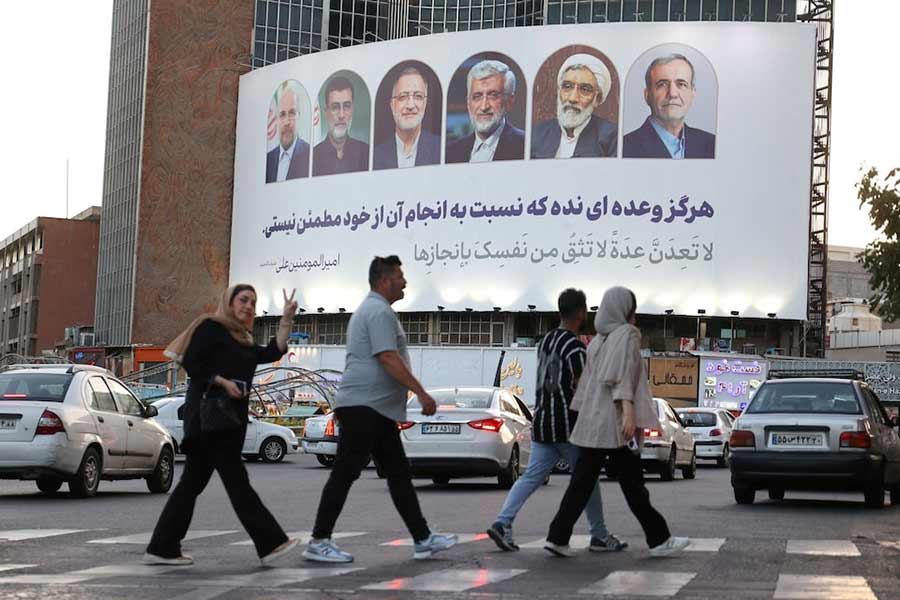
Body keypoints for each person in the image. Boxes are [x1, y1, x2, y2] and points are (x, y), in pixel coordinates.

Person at [303, 256, 457, 563]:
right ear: (385, 281)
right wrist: (422, 394)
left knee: (398, 474)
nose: (405, 281)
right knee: (346, 473)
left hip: (375, 410)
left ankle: (423, 538)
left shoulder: (377, 310)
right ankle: (319, 540)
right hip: (363, 408)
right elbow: (388, 358)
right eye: (400, 276)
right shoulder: (377, 311)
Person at [144, 285, 300, 566]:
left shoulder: (243, 338)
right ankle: (271, 542)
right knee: (238, 483)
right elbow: (192, 363)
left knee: (191, 484)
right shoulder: (210, 327)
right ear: (228, 302)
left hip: (228, 420)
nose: (249, 306)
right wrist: (223, 382)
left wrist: (286, 320)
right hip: (210, 420)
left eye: (253, 302)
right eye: (243, 300)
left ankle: (163, 546)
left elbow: (272, 352)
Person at [544, 286, 690, 558]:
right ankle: (659, 539)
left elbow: (585, 385)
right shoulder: (627, 335)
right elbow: (621, 375)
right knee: (633, 485)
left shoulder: (598, 340)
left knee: (582, 484)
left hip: (592, 423)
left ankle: (557, 536)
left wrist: (580, 415)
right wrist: (629, 412)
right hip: (614, 423)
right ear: (626, 310)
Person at [486, 289, 626, 553]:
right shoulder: (574, 346)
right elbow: (583, 387)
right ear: (581, 312)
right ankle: (599, 534)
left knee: (530, 478)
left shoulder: (546, 341)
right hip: (568, 426)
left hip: (542, 422)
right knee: (588, 480)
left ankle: (503, 522)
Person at [623, 53, 715, 159]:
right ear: (647, 95)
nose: (672, 94)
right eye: (662, 84)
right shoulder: (624, 147)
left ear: (692, 94)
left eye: (681, 84)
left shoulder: (711, 144)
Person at [531, 54, 617, 159]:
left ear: (597, 99)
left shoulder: (611, 137)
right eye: (567, 86)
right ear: (559, 92)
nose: (573, 98)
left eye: (585, 89)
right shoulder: (537, 134)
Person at [446, 60, 525, 163]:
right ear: (468, 103)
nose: (484, 107)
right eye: (477, 96)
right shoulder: (450, 152)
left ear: (509, 101)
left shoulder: (525, 146)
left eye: (493, 95)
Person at [373, 67, 441, 170]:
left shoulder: (440, 149)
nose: (410, 105)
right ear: (392, 105)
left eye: (418, 96)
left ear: (425, 103)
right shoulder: (375, 156)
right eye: (403, 97)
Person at [312, 77, 369, 176]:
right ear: (326, 112)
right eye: (335, 107)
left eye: (347, 106)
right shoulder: (311, 158)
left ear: (352, 109)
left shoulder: (367, 153)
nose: (341, 115)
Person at [266, 82, 310, 183]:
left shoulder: (311, 155)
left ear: (299, 115)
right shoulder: (268, 159)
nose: (286, 122)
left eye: (292, 113)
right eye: (282, 114)